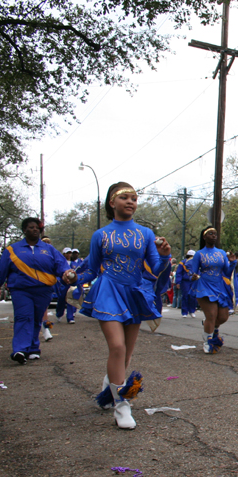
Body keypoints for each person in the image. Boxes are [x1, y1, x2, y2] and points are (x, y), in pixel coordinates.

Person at [69, 183, 172, 429]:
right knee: (116, 346)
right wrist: (74, 278)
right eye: (124, 198)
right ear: (111, 203)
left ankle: (110, 387)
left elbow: (156, 268)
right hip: (108, 291)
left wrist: (166, 255)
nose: (130, 202)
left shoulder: (146, 234)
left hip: (134, 293)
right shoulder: (101, 235)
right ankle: (122, 405)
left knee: (125, 353)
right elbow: (92, 269)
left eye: (134, 198)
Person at [0, 218, 69, 365]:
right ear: (24, 230)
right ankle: (20, 350)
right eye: (31, 227)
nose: (35, 230)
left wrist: (67, 275)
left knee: (37, 319)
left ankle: (33, 349)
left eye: (37, 228)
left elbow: (61, 266)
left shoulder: (49, 249)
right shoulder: (13, 250)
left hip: (43, 290)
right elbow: (1, 270)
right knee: (23, 317)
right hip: (21, 290)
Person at [190, 227, 236, 354]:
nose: (214, 236)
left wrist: (232, 263)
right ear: (204, 237)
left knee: (223, 316)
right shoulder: (199, 254)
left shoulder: (221, 253)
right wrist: (192, 276)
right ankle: (208, 341)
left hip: (220, 286)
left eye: (215, 234)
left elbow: (226, 272)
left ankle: (210, 326)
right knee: (211, 315)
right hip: (205, 285)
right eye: (211, 234)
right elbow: (193, 272)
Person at [175, 250, 197, 318]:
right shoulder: (182, 263)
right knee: (185, 296)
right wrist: (178, 282)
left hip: (193, 281)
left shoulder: (196, 262)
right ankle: (185, 312)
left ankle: (192, 311)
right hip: (185, 281)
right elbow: (179, 273)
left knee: (193, 296)